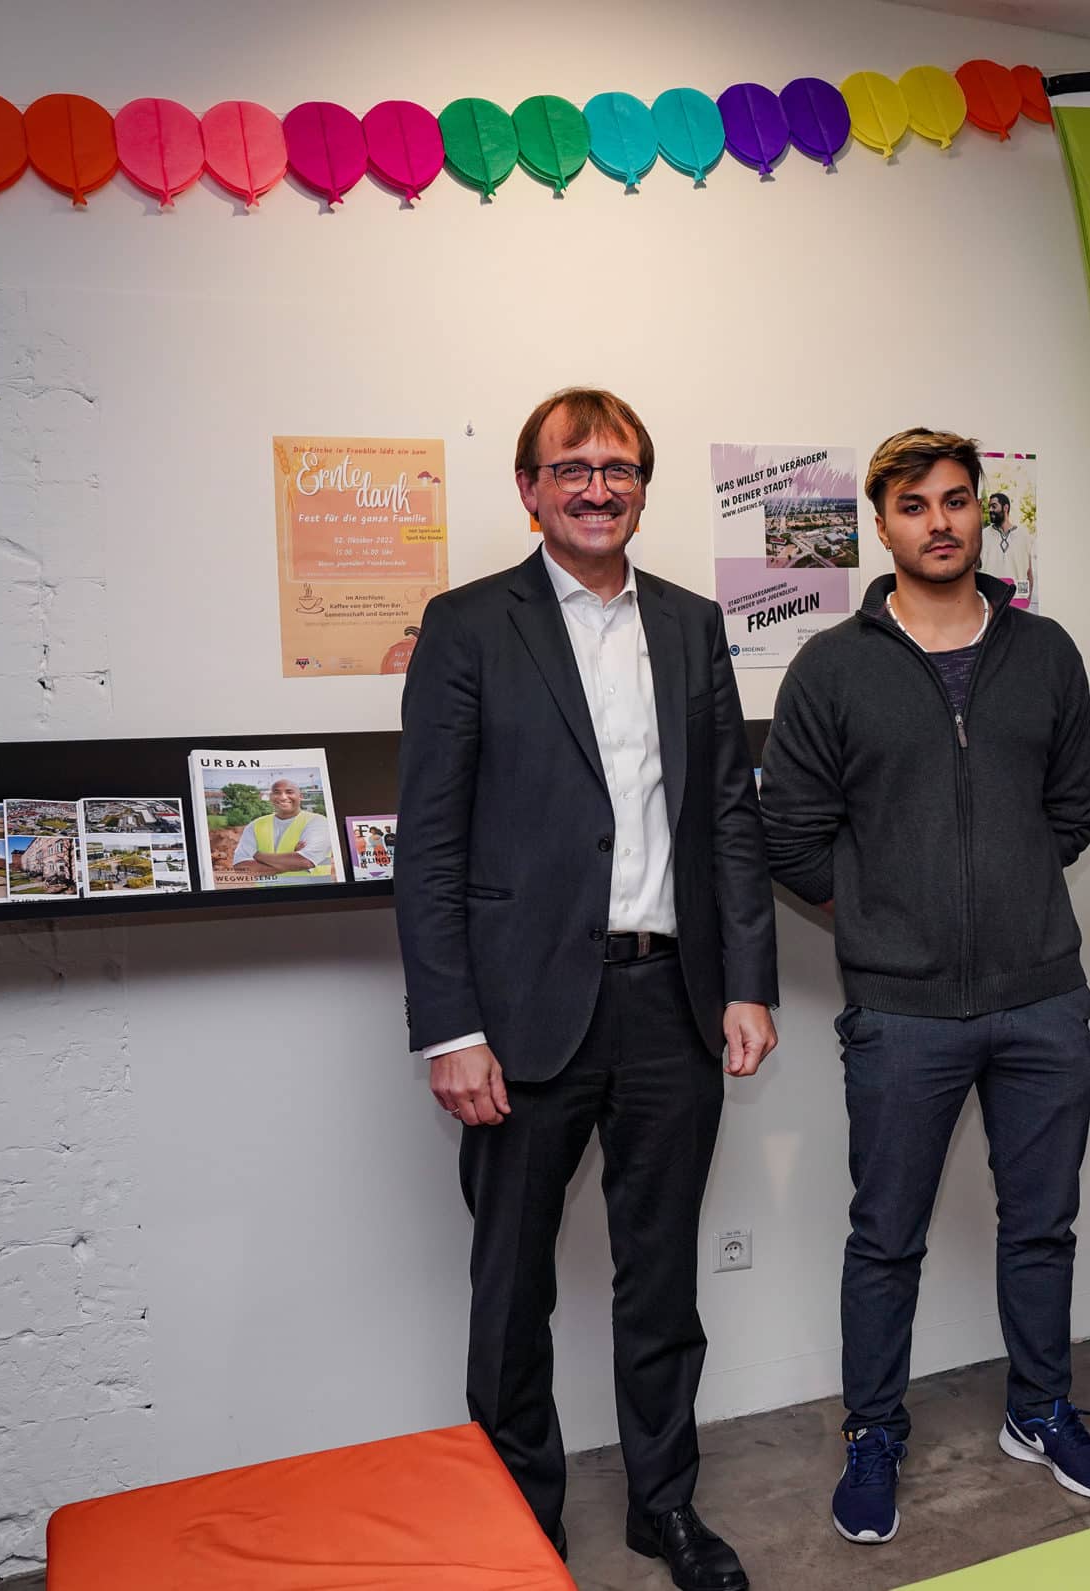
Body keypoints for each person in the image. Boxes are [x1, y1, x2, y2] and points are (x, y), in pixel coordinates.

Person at [395, 386, 778, 1591]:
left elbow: (724, 814)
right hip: (518, 1017)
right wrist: (449, 1027)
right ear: (530, 490)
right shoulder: (467, 625)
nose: (596, 487)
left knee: (658, 1283)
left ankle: (663, 1506)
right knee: (511, 1294)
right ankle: (519, 1526)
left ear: (643, 488)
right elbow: (433, 845)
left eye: (617, 468)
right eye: (572, 469)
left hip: (671, 1002)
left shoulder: (690, 621)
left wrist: (748, 982)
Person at [762, 427, 1090, 1546]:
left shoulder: (1047, 652)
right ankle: (874, 1431)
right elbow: (787, 832)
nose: (940, 521)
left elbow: (1073, 810)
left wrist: (1001, 896)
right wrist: (878, 917)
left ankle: (1038, 1406)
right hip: (901, 1009)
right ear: (883, 523)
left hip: (1040, 997)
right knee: (886, 1236)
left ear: (981, 515)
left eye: (958, 501)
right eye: (914, 505)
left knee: (1043, 1224)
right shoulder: (831, 665)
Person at [232, 777, 335, 881]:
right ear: (271, 797)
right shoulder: (255, 825)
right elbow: (241, 868)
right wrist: (292, 860)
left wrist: (257, 855)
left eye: (289, 792)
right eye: (277, 793)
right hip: (266, 896)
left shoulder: (318, 822)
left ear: (300, 797)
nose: (283, 797)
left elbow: (306, 861)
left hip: (312, 894)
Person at [982, 488, 1033, 606]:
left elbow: (1028, 573)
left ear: (1005, 508)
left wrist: (1026, 599)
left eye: (994, 506)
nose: (990, 510)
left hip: (1017, 603)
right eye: (989, 507)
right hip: (992, 603)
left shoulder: (1024, 536)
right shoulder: (983, 536)